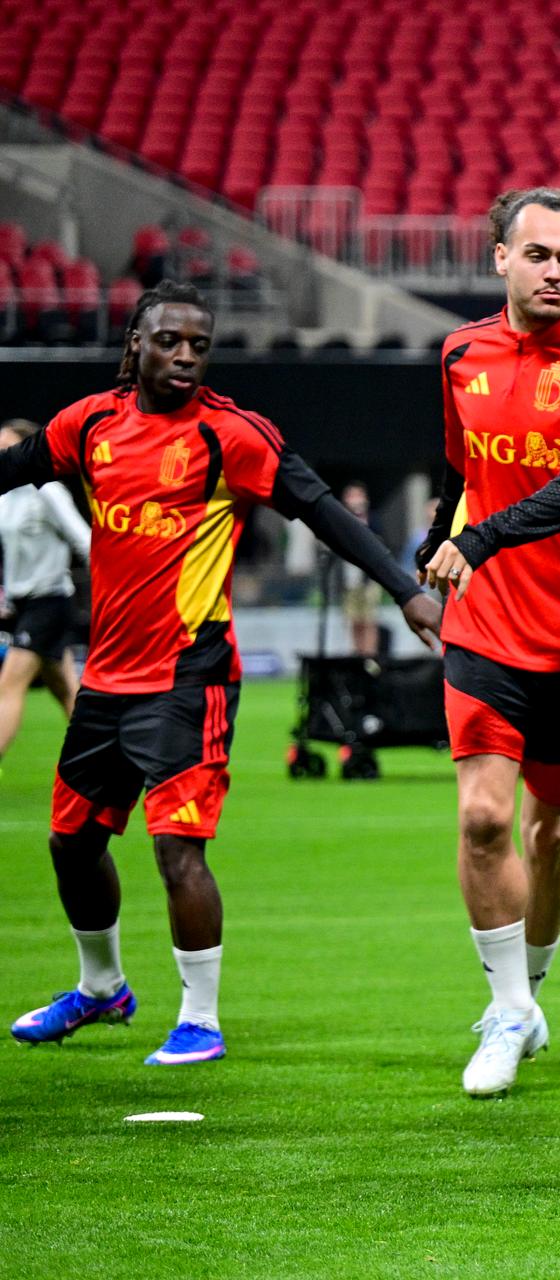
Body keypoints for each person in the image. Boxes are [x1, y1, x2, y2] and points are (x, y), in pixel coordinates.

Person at [2, 281, 440, 1065]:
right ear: (135, 343)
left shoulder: (229, 436)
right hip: (105, 677)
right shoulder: (89, 424)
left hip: (188, 679)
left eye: (199, 346)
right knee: (71, 843)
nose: (185, 357)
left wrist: (406, 590)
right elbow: (18, 466)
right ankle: (102, 989)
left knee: (179, 851)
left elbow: (323, 514)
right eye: (169, 341)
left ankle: (200, 1018)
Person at [417, 187, 560, 1099]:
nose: (555, 270)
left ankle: (533, 989)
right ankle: (506, 1009)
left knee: (552, 829)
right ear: (500, 259)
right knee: (482, 817)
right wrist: (432, 555)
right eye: (539, 254)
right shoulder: (459, 352)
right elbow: (458, 468)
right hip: (482, 621)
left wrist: (475, 538)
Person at [0, 418, 88, 769]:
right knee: (67, 691)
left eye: (7, 445)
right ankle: (106, 759)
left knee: (9, 684)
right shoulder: (6, 495)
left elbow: (85, 539)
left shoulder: (47, 490)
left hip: (50, 600)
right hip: (22, 603)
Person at [336, 481, 383, 657]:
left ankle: (371, 655)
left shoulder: (372, 520)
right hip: (349, 578)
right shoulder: (341, 520)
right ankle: (357, 654)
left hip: (368, 578)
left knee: (369, 619)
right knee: (354, 619)